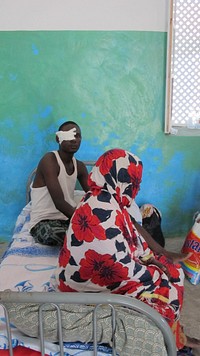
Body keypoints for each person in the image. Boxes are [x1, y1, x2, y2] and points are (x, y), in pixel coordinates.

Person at [54, 148, 200, 351]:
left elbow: (132, 239)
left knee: (168, 270)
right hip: (85, 286)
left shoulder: (104, 200)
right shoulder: (102, 210)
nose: (136, 188)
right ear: (120, 180)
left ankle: (176, 335)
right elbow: (118, 268)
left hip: (89, 275)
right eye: (133, 181)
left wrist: (152, 258)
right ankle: (170, 339)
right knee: (171, 280)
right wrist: (154, 271)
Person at [29, 121, 89, 246]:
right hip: (44, 222)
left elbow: (93, 195)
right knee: (61, 234)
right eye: (69, 135)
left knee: (90, 233)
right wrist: (85, 223)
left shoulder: (80, 167)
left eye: (77, 136)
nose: (74, 140)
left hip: (67, 220)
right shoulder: (49, 160)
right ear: (58, 138)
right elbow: (59, 203)